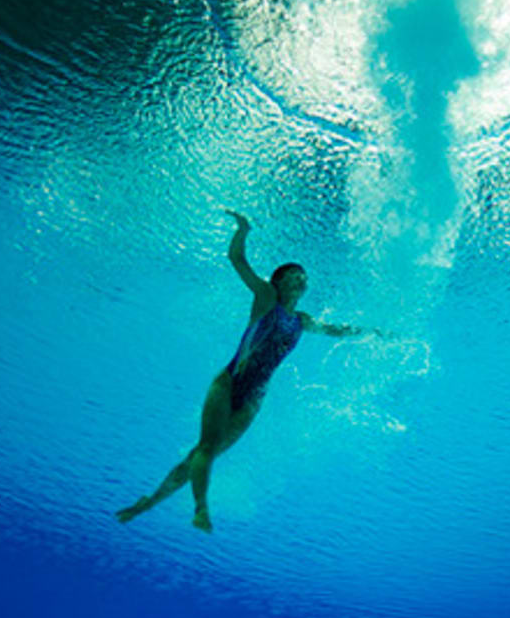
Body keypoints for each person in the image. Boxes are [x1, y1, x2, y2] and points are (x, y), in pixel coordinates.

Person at [116, 210, 380, 532]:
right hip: (229, 382)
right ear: (278, 281)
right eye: (294, 274)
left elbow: (336, 330)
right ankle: (200, 508)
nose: (301, 279)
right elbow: (237, 260)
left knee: (206, 454)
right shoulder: (267, 298)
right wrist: (243, 229)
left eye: (304, 276)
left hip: (253, 400)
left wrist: (373, 333)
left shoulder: (302, 321)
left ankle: (149, 502)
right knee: (206, 446)